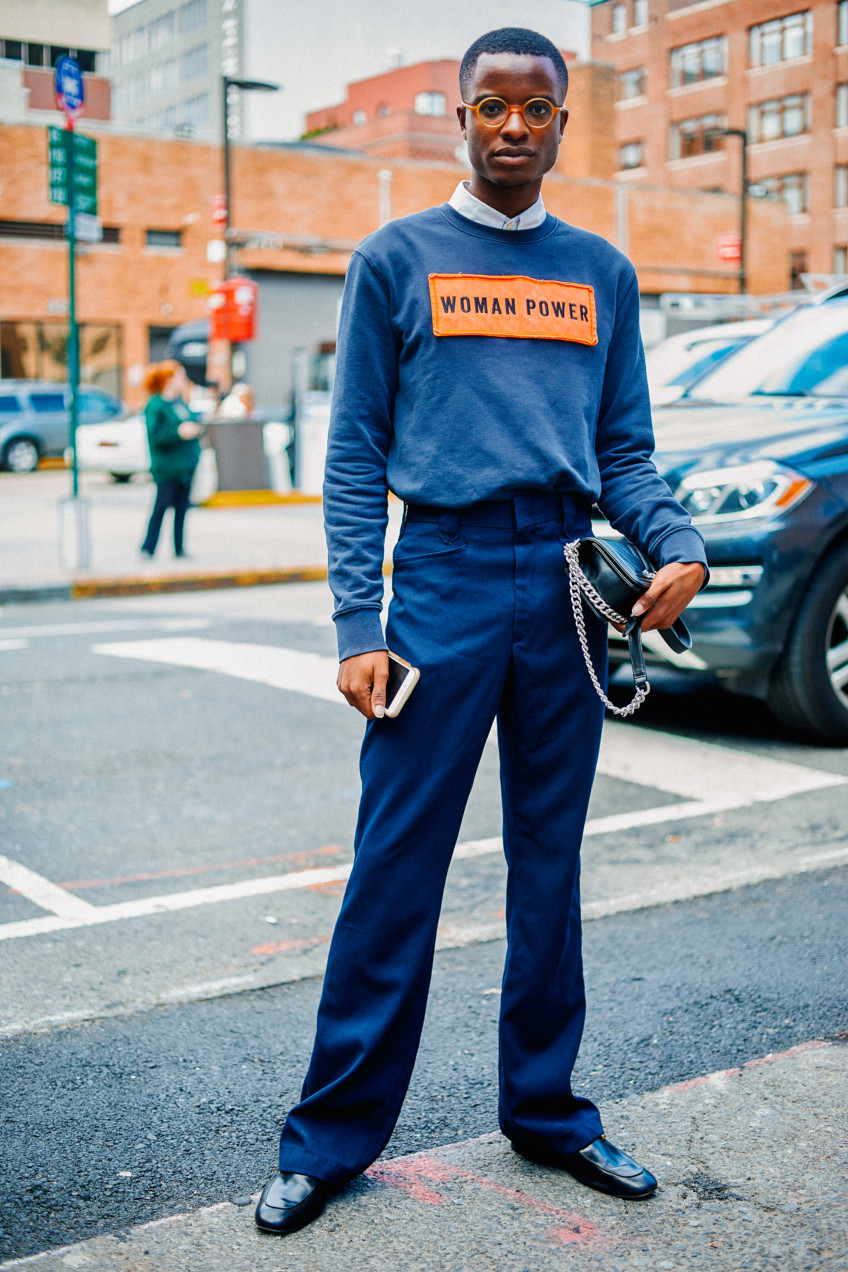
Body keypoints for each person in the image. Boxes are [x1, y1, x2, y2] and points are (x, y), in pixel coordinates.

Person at [255, 27, 708, 1237]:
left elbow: (624, 455)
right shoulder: (394, 261)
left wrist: (677, 544)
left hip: (562, 584)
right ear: (459, 116)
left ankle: (548, 1113)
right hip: (441, 582)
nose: (513, 126)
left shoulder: (600, 273)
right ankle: (330, 1140)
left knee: (547, 870)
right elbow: (351, 457)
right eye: (491, 106)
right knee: (394, 867)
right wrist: (360, 620)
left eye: (537, 109)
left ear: (563, 124)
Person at [140, 361, 204, 559]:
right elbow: (156, 436)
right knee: (160, 508)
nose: (184, 380)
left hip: (185, 467)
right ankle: (148, 547)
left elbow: (192, 421)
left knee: (182, 510)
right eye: (181, 376)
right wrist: (178, 432)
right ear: (169, 379)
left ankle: (179, 548)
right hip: (167, 468)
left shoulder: (179, 403)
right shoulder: (156, 405)